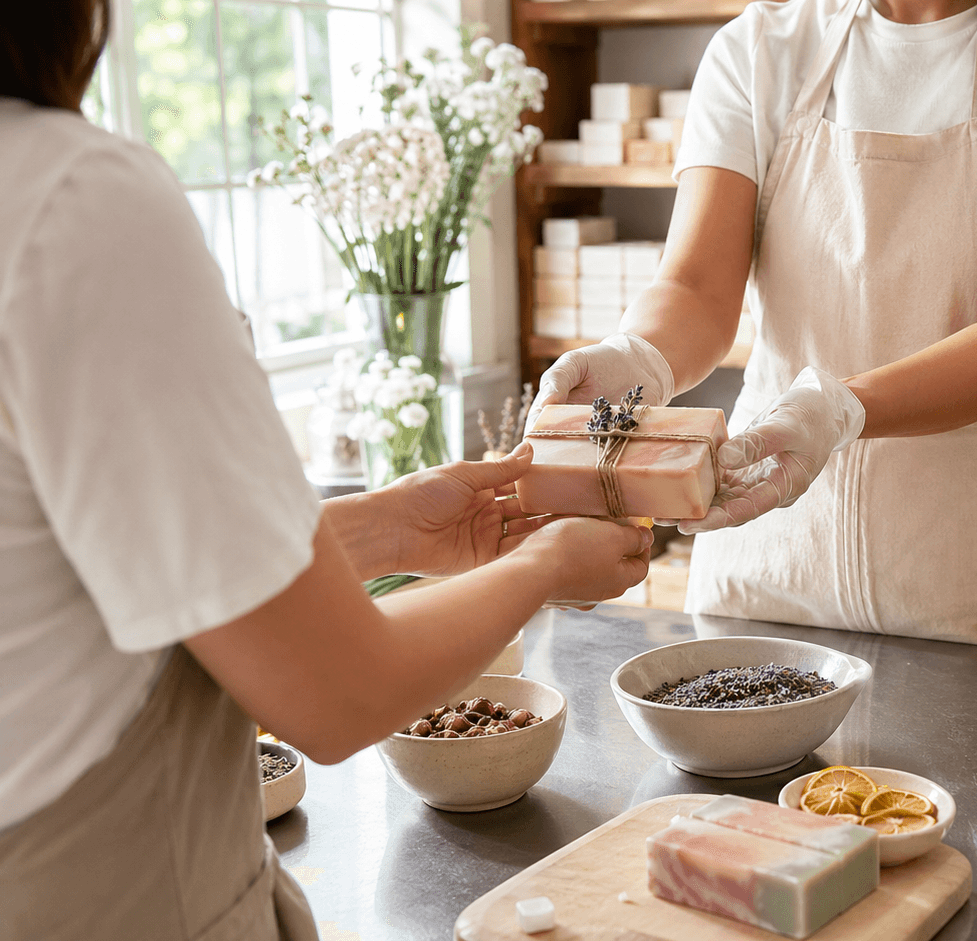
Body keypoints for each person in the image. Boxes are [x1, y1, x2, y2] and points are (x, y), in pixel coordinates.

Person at [0, 6, 651, 939]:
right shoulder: (71, 199)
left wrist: (384, 530)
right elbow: (337, 695)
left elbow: (73, 580)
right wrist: (544, 568)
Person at [531, 0, 977, 643]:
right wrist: (640, 357)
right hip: (770, 548)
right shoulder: (757, 48)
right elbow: (696, 287)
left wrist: (841, 409)